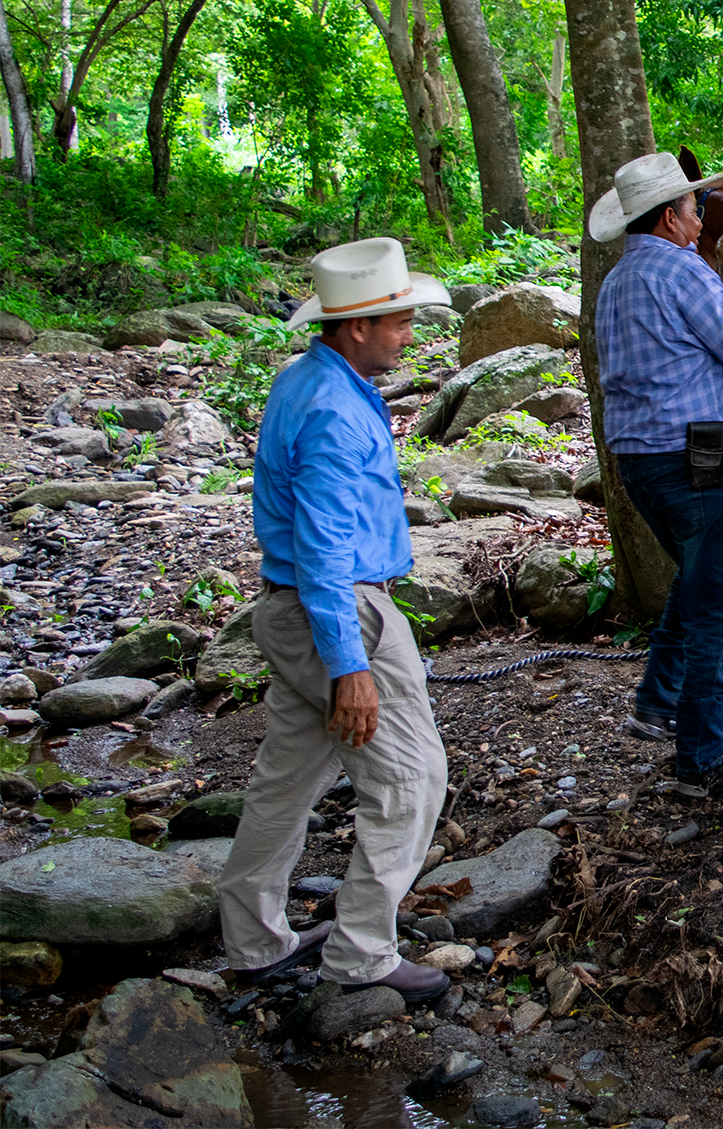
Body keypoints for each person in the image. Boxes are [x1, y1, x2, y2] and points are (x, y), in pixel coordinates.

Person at [216, 237, 453, 1004]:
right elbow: (323, 554)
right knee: (413, 778)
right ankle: (361, 956)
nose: (410, 332)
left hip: (294, 611)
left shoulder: (314, 379)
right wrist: (350, 665)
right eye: (399, 320)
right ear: (356, 327)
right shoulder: (333, 413)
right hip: (337, 607)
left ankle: (253, 940)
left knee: (287, 779)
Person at [589, 153, 723, 797]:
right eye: (691, 208)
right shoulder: (679, 269)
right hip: (699, 458)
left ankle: (658, 700)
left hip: (641, 462)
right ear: (667, 220)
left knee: (697, 577)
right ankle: (704, 759)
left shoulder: (618, 282)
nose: (698, 217)